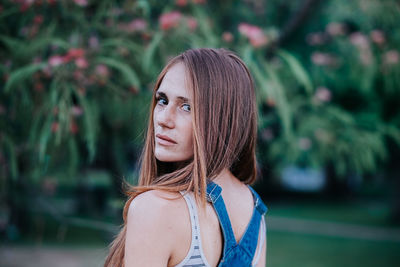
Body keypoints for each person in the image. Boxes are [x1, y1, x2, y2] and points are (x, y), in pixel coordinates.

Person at [104, 48, 268, 267]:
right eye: (162, 100)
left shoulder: (154, 208)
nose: (163, 119)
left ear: (222, 120)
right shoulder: (252, 207)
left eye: (186, 107)